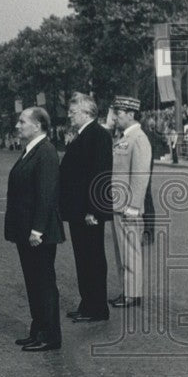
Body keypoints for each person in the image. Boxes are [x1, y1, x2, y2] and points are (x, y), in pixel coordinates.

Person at [5, 107, 65, 352]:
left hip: (38, 232)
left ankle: (50, 335)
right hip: (27, 230)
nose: (17, 126)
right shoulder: (32, 151)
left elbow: (46, 193)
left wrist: (38, 229)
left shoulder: (46, 152)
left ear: (38, 125)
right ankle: (38, 329)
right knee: (33, 282)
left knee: (43, 283)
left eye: (22, 122)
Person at [59, 93, 113, 322]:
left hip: (88, 212)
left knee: (92, 259)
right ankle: (87, 303)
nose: (69, 116)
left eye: (73, 112)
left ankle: (97, 308)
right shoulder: (83, 135)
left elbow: (100, 175)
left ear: (86, 112)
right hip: (78, 210)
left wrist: (94, 209)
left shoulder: (98, 135)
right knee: (83, 258)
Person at [109, 96, 152, 309]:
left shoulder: (139, 139)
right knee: (122, 253)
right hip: (119, 206)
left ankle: (133, 294)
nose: (115, 117)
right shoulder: (123, 138)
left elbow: (141, 175)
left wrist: (134, 206)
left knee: (131, 251)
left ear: (131, 114)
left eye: (119, 113)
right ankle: (126, 290)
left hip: (129, 208)